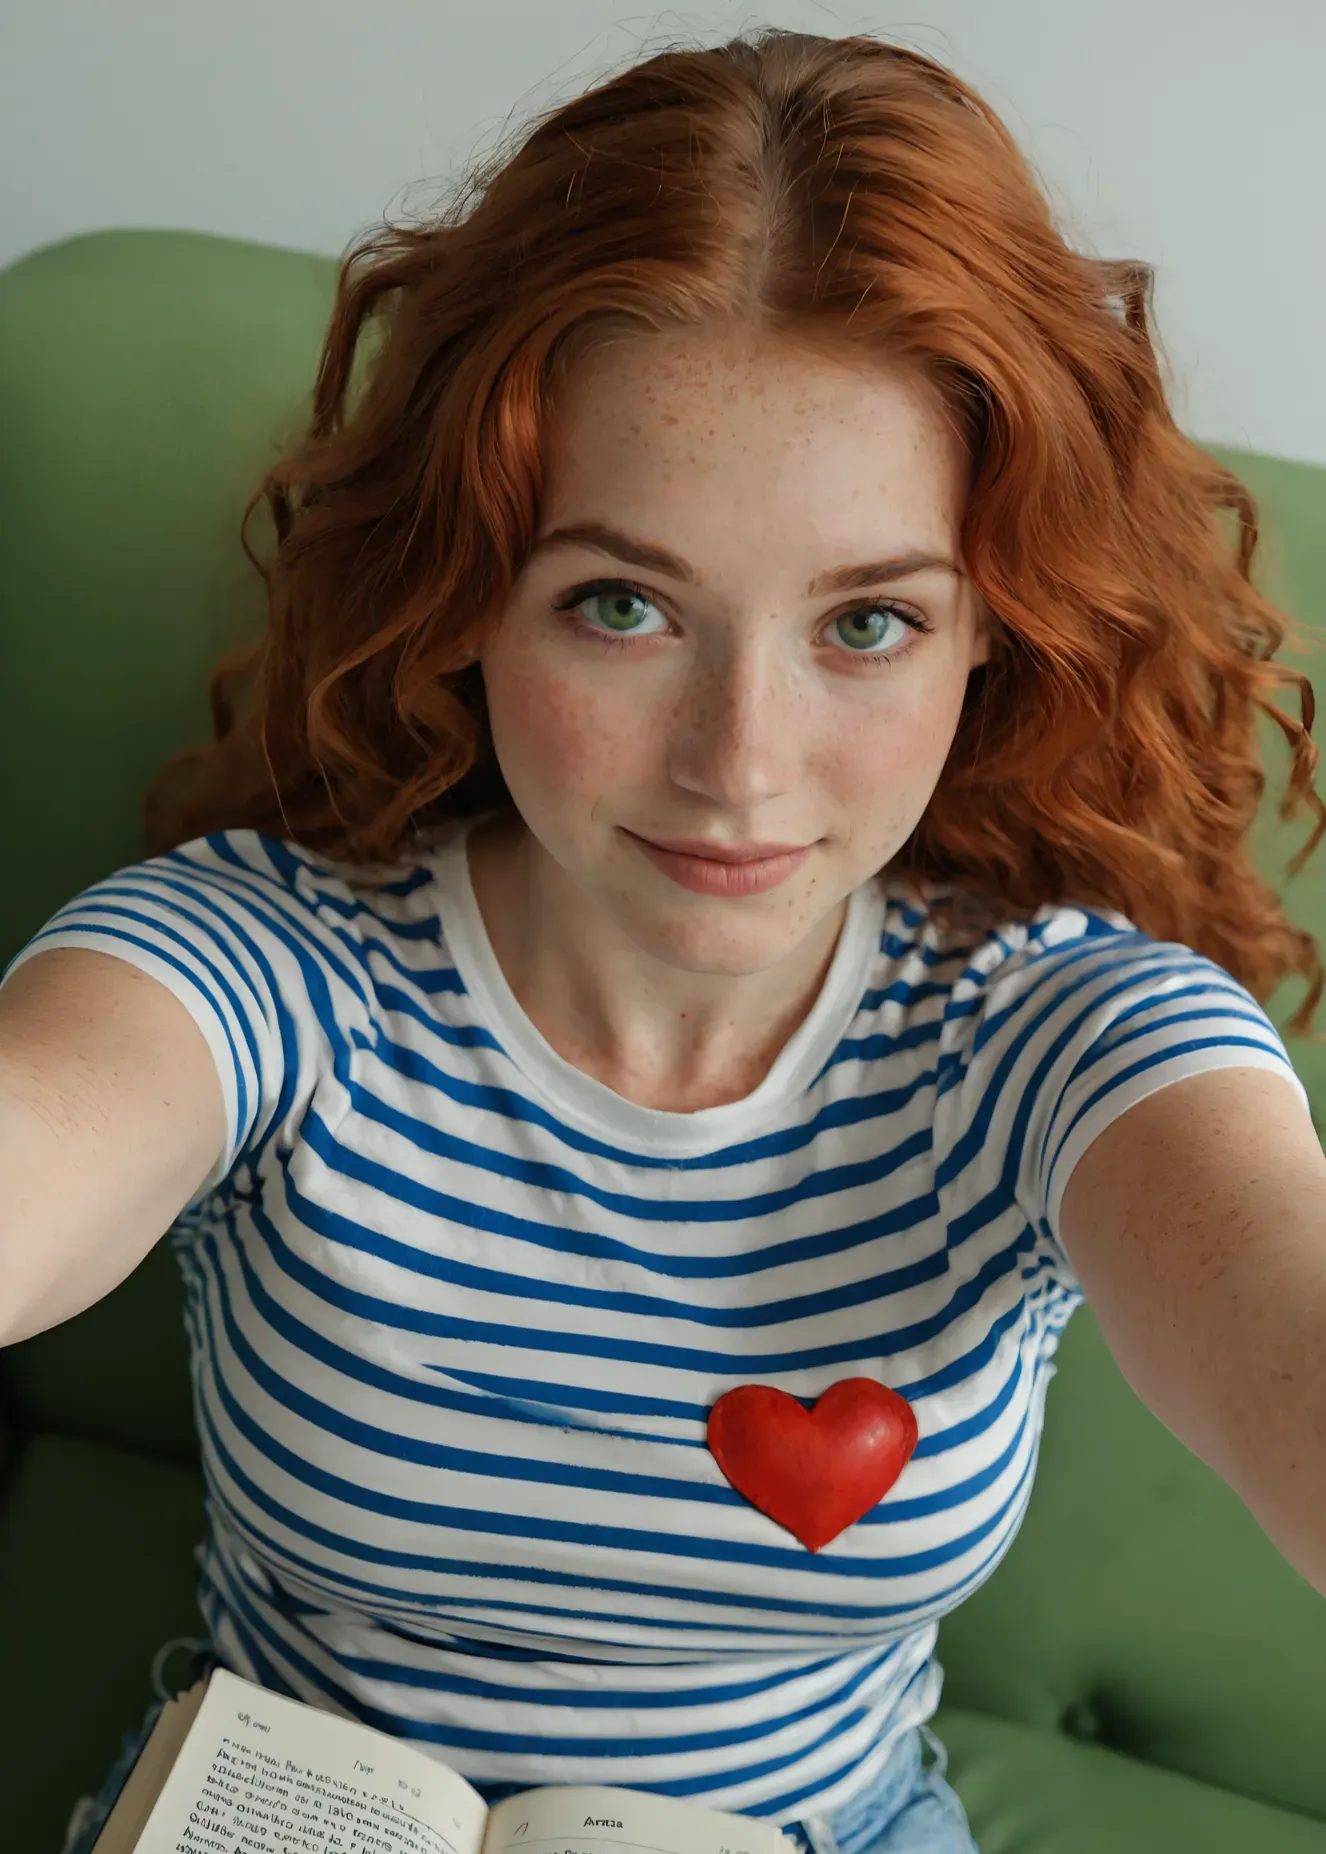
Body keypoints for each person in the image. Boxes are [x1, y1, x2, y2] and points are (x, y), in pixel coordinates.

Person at [5, 25, 1326, 1854]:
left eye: (864, 622)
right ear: (470, 591)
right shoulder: (266, 969)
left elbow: (1277, 1303)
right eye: (621, 604)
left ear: (991, 635)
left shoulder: (1062, 1035)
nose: (738, 765)